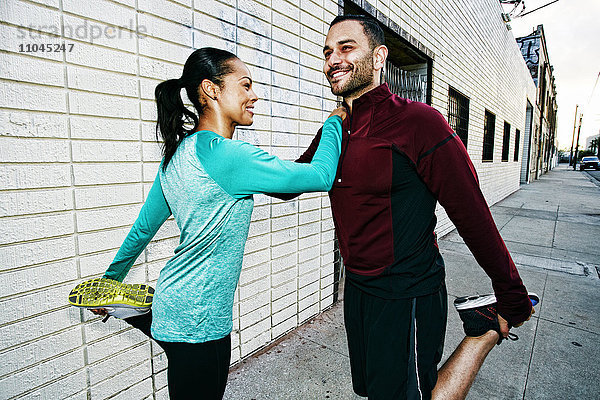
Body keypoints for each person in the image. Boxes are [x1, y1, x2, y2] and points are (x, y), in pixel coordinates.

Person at [273, 15, 536, 400]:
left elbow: (472, 215)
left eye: (346, 48)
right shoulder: (337, 128)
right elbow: (291, 183)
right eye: (328, 52)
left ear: (379, 58)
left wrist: (510, 294)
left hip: (408, 292)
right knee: (375, 391)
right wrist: (220, 152)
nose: (333, 60)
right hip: (359, 290)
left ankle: (483, 332)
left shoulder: (419, 122)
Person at [68, 47, 346, 400]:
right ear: (211, 90)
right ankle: (133, 308)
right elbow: (321, 176)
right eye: (245, 85)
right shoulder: (231, 156)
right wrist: (337, 119)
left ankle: (131, 306)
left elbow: (142, 229)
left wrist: (110, 282)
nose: (253, 95)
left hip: (187, 308)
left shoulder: (177, 154)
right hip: (196, 323)